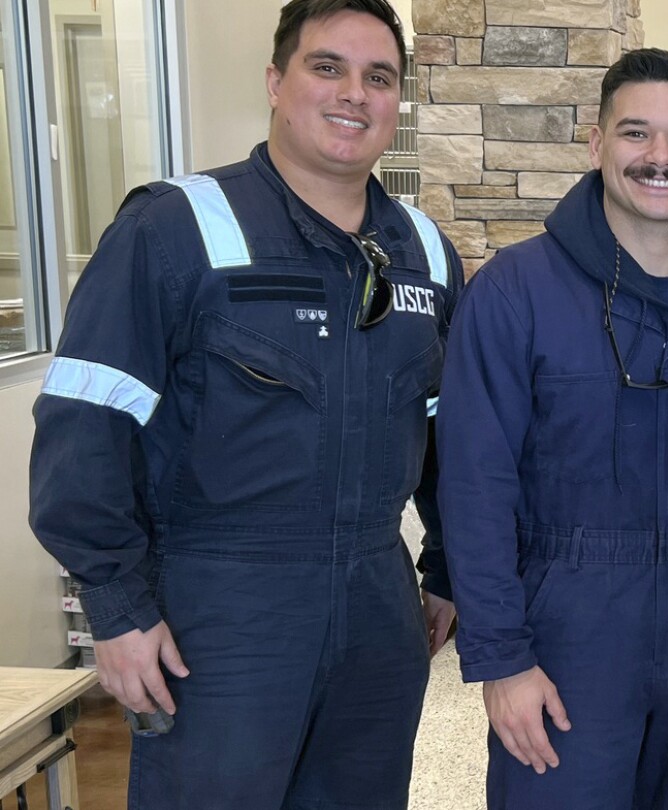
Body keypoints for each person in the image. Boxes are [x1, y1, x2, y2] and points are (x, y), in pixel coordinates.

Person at [28, 1, 461, 807]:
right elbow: (83, 430)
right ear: (275, 81)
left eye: (379, 78)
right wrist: (117, 611)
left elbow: (451, 439)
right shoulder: (173, 229)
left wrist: (446, 570)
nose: (354, 94)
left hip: (376, 599)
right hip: (221, 612)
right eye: (326, 67)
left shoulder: (426, 254)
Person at [436, 49, 668, 810]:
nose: (661, 157)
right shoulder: (514, 292)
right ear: (596, 145)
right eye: (636, 134)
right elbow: (474, 484)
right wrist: (501, 659)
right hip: (566, 635)